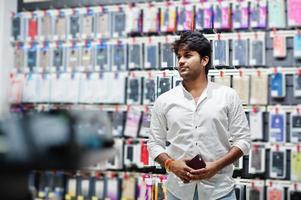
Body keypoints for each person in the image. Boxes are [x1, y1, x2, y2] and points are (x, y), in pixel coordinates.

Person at [147, 31, 251, 200]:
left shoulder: (227, 96)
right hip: (178, 192)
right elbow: (154, 143)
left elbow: (243, 141)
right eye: (179, 56)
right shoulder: (164, 101)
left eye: (187, 55)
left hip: (219, 192)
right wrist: (171, 164)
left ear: (204, 60)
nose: (181, 61)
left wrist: (216, 166)